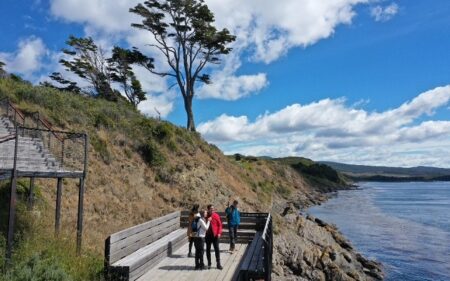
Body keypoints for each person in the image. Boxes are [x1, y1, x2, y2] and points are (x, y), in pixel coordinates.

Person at [206, 204, 223, 270]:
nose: (212, 209)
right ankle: (209, 264)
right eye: (211, 208)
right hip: (208, 235)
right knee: (208, 250)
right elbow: (202, 222)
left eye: (213, 208)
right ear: (208, 209)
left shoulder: (216, 215)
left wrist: (219, 233)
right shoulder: (206, 216)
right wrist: (207, 219)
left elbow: (220, 225)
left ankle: (218, 264)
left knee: (217, 250)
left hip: (215, 235)